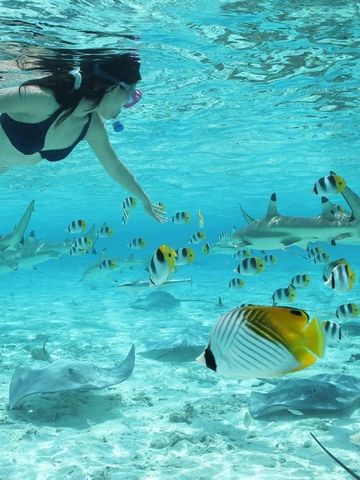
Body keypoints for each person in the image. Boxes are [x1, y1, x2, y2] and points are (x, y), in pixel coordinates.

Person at [0, 52, 165, 222]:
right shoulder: (41, 99)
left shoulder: (92, 126)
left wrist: (144, 199)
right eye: (131, 94)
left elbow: (114, 167)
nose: (129, 103)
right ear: (114, 88)